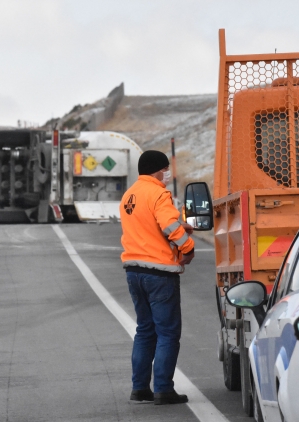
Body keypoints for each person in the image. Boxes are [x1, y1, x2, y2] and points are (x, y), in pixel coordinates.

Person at [120, 150, 195, 405]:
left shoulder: (129, 195)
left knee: (145, 331)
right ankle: (163, 388)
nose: (166, 174)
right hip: (159, 273)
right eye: (164, 169)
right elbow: (169, 227)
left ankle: (139, 388)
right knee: (167, 333)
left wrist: (177, 229)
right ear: (156, 170)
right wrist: (188, 248)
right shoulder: (159, 194)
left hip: (133, 271)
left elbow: (147, 228)